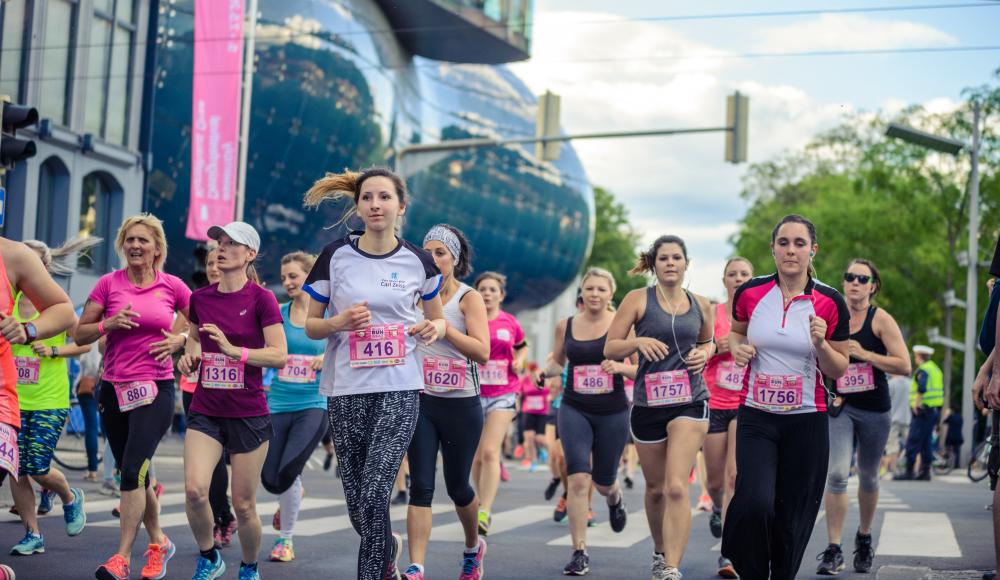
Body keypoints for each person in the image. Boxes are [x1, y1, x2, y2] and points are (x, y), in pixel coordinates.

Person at [301, 167, 446, 580]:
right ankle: (388, 547)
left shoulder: (419, 259)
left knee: (375, 493)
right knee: (359, 506)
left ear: (401, 206)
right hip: (345, 385)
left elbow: (438, 321)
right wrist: (338, 322)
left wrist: (432, 327)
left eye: (384, 197)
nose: (375, 205)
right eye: (367, 198)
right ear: (358, 206)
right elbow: (311, 324)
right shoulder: (335, 256)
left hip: (399, 385)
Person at [720, 214, 850, 580]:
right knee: (755, 502)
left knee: (792, 516)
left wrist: (821, 342)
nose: (791, 250)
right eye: (783, 243)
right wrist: (738, 349)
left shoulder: (830, 301)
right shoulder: (751, 292)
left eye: (799, 243)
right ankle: (752, 570)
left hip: (807, 419)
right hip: (757, 416)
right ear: (773, 248)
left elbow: (838, 369)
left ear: (813, 250)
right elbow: (735, 333)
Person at [75, 214, 191, 580]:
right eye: (130, 240)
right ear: (122, 245)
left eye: (143, 240)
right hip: (113, 387)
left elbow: (202, 322)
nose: (136, 246)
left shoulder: (172, 286)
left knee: (133, 469)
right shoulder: (109, 284)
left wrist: (182, 339)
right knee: (135, 472)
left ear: (157, 248)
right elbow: (79, 335)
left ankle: (121, 556)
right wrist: (105, 325)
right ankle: (158, 541)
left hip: (155, 388)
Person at [179, 221, 287, 580]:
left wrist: (233, 350)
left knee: (243, 505)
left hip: (248, 413)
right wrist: (189, 355)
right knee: (195, 490)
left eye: (231, 243)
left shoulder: (262, 299)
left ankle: (250, 565)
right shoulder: (201, 298)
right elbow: (195, 340)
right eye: (219, 242)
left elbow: (278, 355)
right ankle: (209, 557)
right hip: (207, 409)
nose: (221, 248)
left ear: (250, 255)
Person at [606, 236, 715, 580]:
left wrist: (707, 353)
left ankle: (672, 567)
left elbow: (707, 341)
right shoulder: (638, 299)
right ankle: (659, 551)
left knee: (676, 487)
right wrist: (636, 341)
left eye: (677, 257)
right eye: (664, 258)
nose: (670, 263)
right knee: (654, 490)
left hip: (690, 400)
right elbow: (610, 347)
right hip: (648, 403)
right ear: (654, 265)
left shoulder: (701, 305)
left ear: (686, 264)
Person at [401, 224, 490, 580]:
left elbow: (482, 351)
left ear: (455, 259)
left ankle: (473, 547)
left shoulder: (468, 298)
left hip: (461, 404)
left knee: (458, 486)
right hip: (422, 400)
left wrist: (443, 327)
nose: (434, 259)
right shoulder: (411, 294)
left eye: (441, 253)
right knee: (420, 485)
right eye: (428, 253)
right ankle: (417, 566)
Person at [816, 259, 911, 575]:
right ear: (843, 282)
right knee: (838, 474)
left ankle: (865, 537)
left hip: (874, 409)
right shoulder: (831, 313)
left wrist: (865, 353)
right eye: (849, 277)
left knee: (869, 475)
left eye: (862, 278)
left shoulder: (880, 319)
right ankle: (833, 548)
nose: (855, 283)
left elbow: (904, 365)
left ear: (873, 286)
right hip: (840, 407)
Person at [7, 238, 96, 556]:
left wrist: (55, 350)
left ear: (41, 268)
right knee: (15, 467)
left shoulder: (56, 307)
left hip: (50, 400)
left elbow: (84, 342)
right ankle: (33, 533)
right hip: (15, 400)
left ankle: (71, 496)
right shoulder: (10, 304)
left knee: (37, 466)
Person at [543, 267, 632, 576]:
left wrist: (620, 368)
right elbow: (557, 360)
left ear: (611, 293)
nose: (594, 294)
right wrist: (545, 372)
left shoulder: (623, 325)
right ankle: (579, 550)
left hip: (612, 410)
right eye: (589, 289)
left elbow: (642, 368)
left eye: (601, 289)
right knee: (579, 478)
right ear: (582, 292)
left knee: (603, 482)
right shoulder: (565, 325)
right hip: (574, 407)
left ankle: (615, 497)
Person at [261, 251, 328, 563]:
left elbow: (347, 350)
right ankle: (291, 494)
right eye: (284, 276)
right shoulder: (277, 313)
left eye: (293, 276)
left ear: (309, 277)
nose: (287, 282)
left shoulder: (326, 315)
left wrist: (327, 359)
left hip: (315, 403)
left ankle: (284, 540)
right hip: (279, 401)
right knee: (271, 478)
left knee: (289, 470)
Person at [179, 245, 238, 548]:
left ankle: (229, 512)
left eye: (219, 262)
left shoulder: (242, 298)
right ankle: (221, 516)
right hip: (195, 389)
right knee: (208, 465)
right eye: (210, 263)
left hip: (233, 392)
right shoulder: (198, 299)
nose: (214, 267)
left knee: (227, 462)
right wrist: (186, 353)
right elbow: (186, 336)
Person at [700, 257, 753, 579]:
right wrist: (717, 347)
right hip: (714, 401)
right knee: (717, 481)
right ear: (724, 280)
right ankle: (718, 508)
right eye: (732, 274)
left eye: (744, 274)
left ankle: (728, 554)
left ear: (752, 279)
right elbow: (697, 350)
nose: (738, 278)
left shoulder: (760, 314)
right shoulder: (713, 313)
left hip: (745, 402)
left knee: (735, 477)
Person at [472, 271, 527, 535]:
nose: (487, 293)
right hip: (472, 392)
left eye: (493, 289)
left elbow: (522, 345)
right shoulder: (469, 320)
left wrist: (520, 361)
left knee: (491, 451)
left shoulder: (510, 322)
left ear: (501, 295)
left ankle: (485, 510)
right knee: (475, 456)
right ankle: (478, 502)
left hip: (503, 392)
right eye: (482, 289)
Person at [899, 345, 944, 481]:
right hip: (932, 410)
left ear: (919, 356)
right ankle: (925, 472)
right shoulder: (935, 369)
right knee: (926, 442)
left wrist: (916, 405)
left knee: (913, 439)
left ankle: (909, 471)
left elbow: (921, 388)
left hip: (922, 410)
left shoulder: (923, 370)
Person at [882, 373, 913, 478]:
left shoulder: (890, 384)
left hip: (893, 418)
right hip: (908, 418)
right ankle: (915, 469)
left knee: (892, 446)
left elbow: (886, 400)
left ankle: (894, 470)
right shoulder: (911, 383)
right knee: (912, 445)